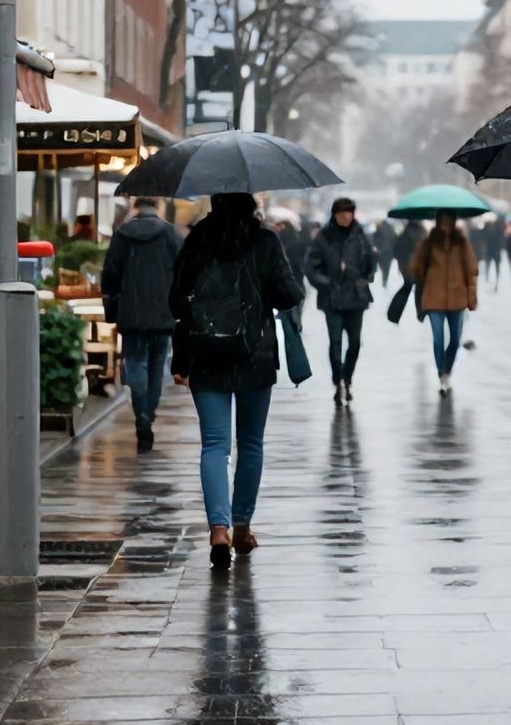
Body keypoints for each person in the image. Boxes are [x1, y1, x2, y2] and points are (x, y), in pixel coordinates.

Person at [169, 193, 305, 567]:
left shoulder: (197, 239)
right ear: (249, 204)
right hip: (255, 354)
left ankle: (218, 529)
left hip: (206, 353)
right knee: (250, 443)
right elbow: (290, 295)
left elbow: (176, 303)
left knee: (214, 444)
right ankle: (242, 525)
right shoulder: (265, 241)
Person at [102, 197, 182, 452]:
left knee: (135, 363)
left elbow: (110, 274)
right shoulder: (170, 233)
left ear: (135, 208)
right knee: (158, 368)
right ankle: (149, 411)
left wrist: (115, 299)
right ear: (156, 206)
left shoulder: (122, 234)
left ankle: (141, 415)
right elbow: (185, 268)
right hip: (162, 313)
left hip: (132, 313)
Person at [305, 197, 377, 406]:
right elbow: (310, 267)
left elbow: (371, 263)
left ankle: (348, 378)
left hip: (356, 297)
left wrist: (367, 272)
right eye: (342, 212)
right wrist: (328, 282)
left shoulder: (361, 234)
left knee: (354, 343)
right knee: (335, 344)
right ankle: (338, 382)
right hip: (332, 299)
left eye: (349, 212)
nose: (346, 216)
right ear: (335, 214)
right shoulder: (324, 237)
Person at [409, 211, 479, 395]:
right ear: (438, 222)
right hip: (434, 297)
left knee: (455, 340)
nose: (446, 225)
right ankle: (442, 374)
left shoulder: (462, 243)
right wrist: (421, 264)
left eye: (449, 221)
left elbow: (471, 271)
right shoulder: (429, 242)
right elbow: (415, 267)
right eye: (443, 221)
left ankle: (447, 371)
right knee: (438, 338)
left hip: (457, 297)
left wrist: (471, 298)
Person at [371, 219, 398, 287]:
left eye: (375, 221)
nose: (374, 223)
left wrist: (379, 250)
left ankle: (384, 282)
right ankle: (384, 281)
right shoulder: (383, 227)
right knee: (385, 268)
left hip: (386, 253)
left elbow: (387, 242)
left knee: (385, 268)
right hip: (387, 253)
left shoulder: (385, 229)